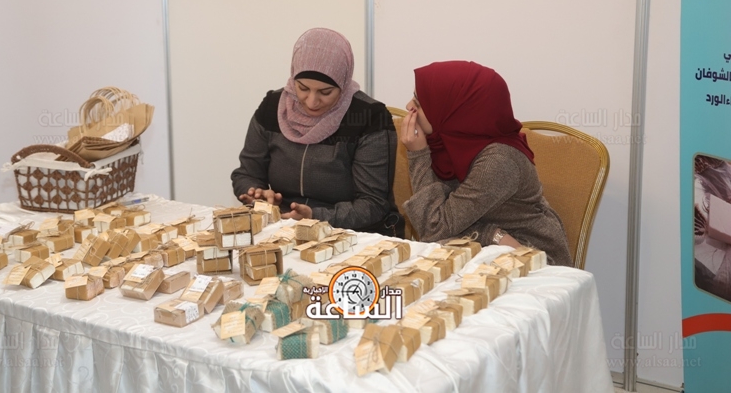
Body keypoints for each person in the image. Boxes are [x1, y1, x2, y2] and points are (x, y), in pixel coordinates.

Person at [231, 28, 404, 237]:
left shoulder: (369, 117)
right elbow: (246, 174)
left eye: (325, 92)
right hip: (284, 228)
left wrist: (314, 216)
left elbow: (373, 205)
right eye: (303, 88)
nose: (312, 102)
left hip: (352, 234)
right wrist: (257, 194)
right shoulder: (273, 107)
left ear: (343, 83)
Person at [399, 60, 572, 266]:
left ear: (454, 110)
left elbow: (433, 229)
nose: (408, 106)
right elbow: (437, 227)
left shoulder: (498, 161)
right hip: (486, 248)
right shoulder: (446, 144)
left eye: (419, 103)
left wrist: (418, 155)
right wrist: (490, 234)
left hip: (530, 257)